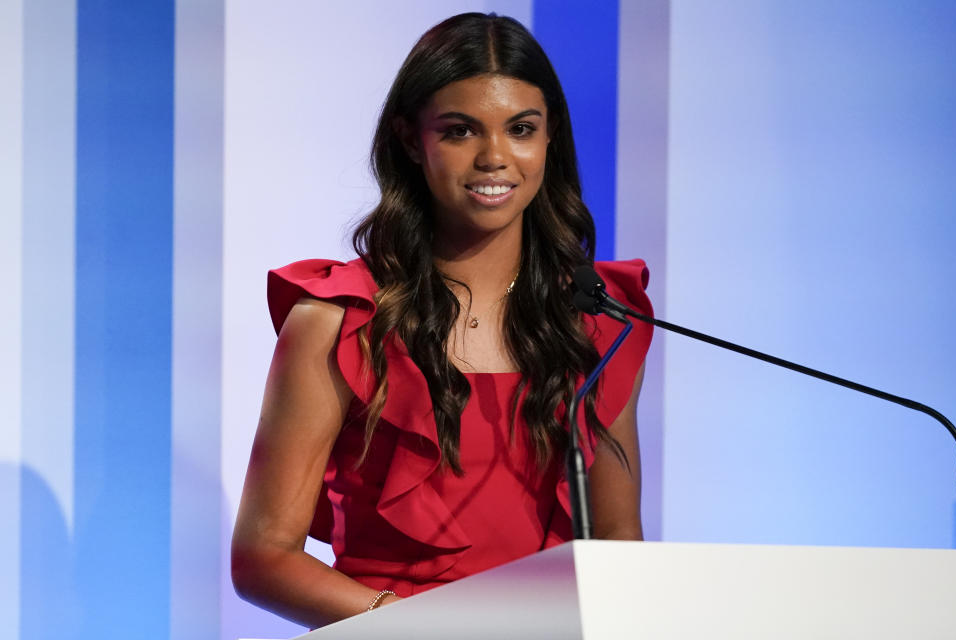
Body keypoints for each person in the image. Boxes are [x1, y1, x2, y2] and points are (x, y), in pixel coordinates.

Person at [231, 12, 654, 629]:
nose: (494, 157)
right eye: (460, 131)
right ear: (411, 139)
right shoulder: (340, 321)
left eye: (521, 129)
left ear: (550, 138)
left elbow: (618, 542)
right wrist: (421, 627)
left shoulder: (597, 320)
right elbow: (262, 557)